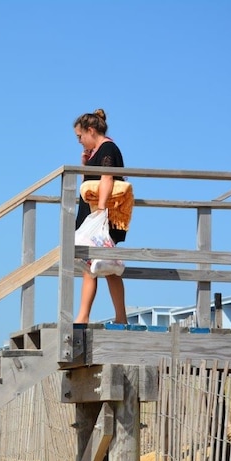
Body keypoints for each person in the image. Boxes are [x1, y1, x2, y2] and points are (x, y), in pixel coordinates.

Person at [74, 109, 130, 325]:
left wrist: (100, 209)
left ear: (90, 130)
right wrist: (84, 163)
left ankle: (87, 317)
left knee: (102, 266)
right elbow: (89, 181)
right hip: (94, 214)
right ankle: (95, 316)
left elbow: (107, 178)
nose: (79, 141)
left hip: (101, 215)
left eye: (80, 137)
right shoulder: (97, 151)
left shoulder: (108, 148)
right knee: (99, 266)